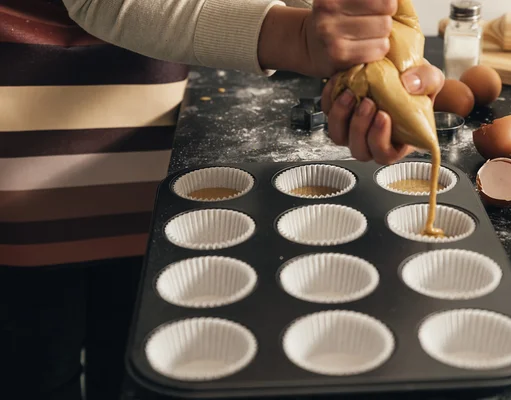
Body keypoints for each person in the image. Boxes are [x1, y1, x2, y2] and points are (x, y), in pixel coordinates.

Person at [0, 0, 445, 399]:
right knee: (37, 367)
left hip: (152, 157)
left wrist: (362, 45)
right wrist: (295, 38)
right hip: (34, 155)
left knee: (129, 362)